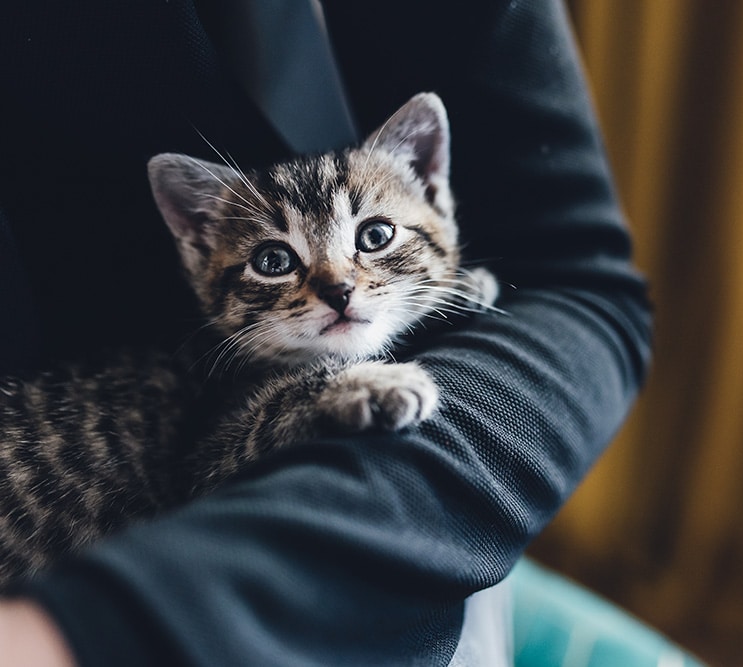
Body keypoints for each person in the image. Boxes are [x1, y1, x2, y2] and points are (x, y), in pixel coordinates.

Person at [0, 1, 651, 664]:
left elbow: (580, 281)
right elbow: (218, 463)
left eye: (375, 235)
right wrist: (327, 396)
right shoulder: (220, 383)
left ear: (431, 188)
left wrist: (446, 302)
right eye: (274, 260)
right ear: (198, 244)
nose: (336, 283)